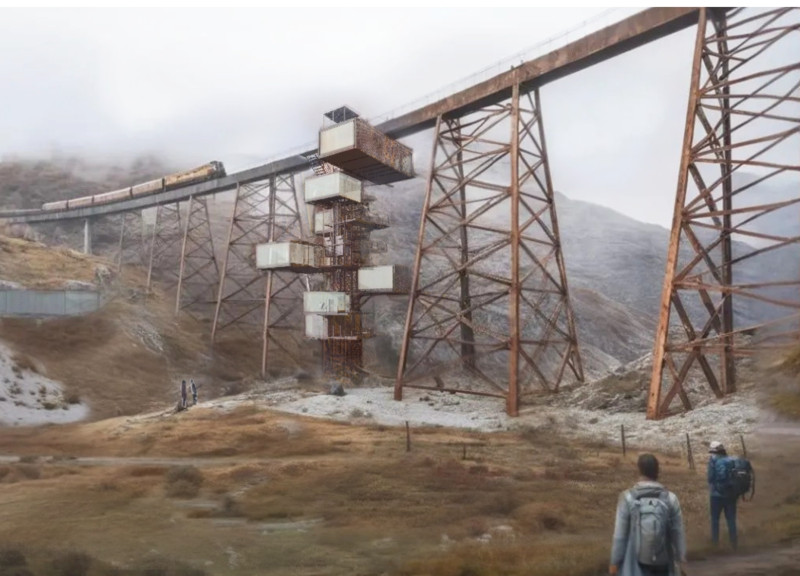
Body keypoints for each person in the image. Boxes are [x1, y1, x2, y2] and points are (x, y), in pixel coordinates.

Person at [610, 453, 687, 576]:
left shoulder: (627, 497)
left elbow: (620, 535)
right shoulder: (671, 498)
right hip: (664, 561)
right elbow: (678, 531)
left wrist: (614, 562)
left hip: (637, 561)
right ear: (657, 471)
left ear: (639, 470)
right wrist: (681, 557)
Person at [708, 440, 737, 550]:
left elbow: (710, 477)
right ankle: (734, 544)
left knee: (715, 520)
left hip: (716, 495)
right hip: (731, 495)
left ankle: (715, 544)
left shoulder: (712, 461)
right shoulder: (731, 460)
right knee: (731, 520)